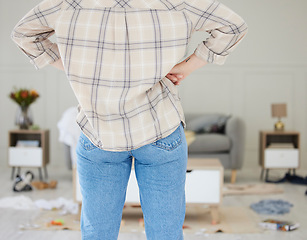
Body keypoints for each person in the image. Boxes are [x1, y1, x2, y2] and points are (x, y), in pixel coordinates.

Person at [11, 0, 247, 239]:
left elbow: (23, 34)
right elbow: (234, 27)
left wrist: (72, 68)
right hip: (160, 129)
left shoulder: (69, 4)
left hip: (99, 132)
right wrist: (186, 67)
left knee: (98, 233)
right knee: (165, 232)